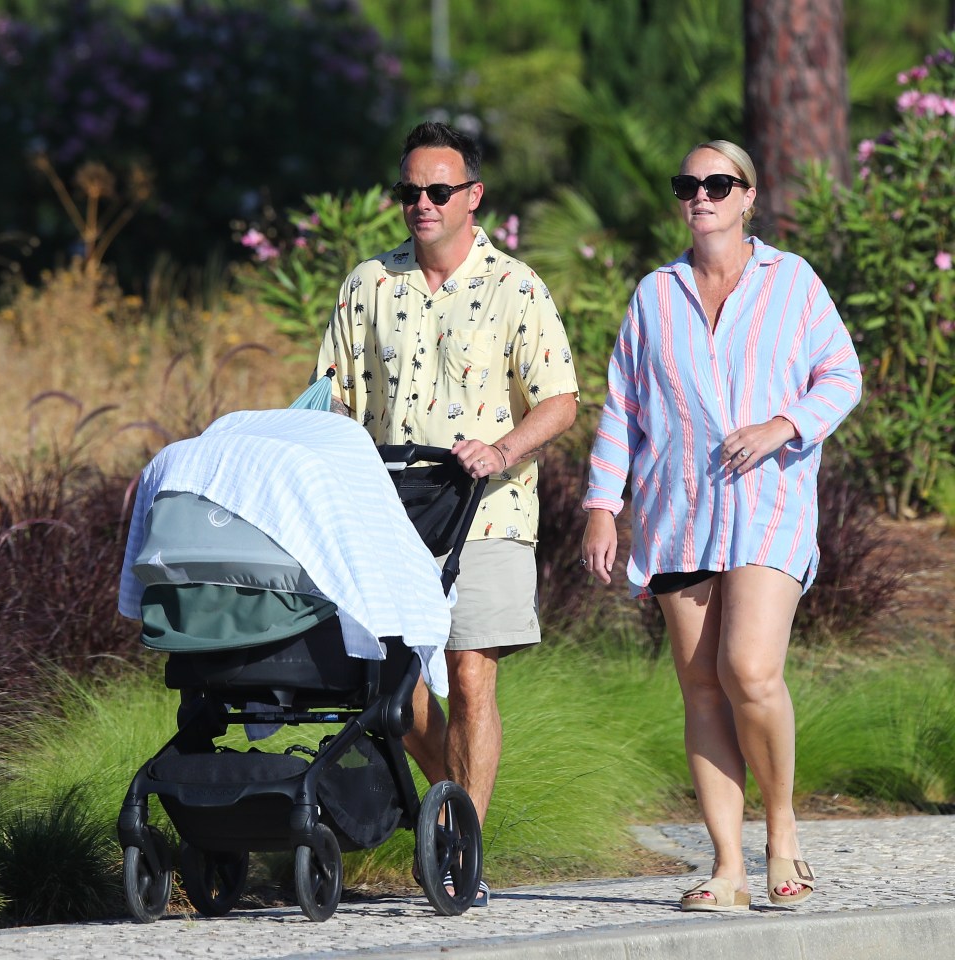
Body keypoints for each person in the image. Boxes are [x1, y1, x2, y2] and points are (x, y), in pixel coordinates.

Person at [581, 139, 861, 912]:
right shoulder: (655, 294)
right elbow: (623, 409)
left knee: (749, 670)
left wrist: (784, 424)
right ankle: (728, 866)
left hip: (768, 507)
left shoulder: (792, 282)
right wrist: (604, 505)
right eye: (687, 184)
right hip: (677, 515)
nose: (700, 195)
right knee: (702, 689)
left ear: (748, 196)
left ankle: (782, 830)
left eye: (716, 183)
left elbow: (841, 375)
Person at [316, 120, 579, 905]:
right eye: (409, 192)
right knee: (394, 690)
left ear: (474, 197)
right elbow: (333, 399)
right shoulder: (370, 283)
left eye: (437, 191)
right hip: (389, 516)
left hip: (489, 513)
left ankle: (464, 857)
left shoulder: (517, 286)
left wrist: (500, 449)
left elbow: (560, 401)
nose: (420, 205)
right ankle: (449, 811)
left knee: (472, 680)